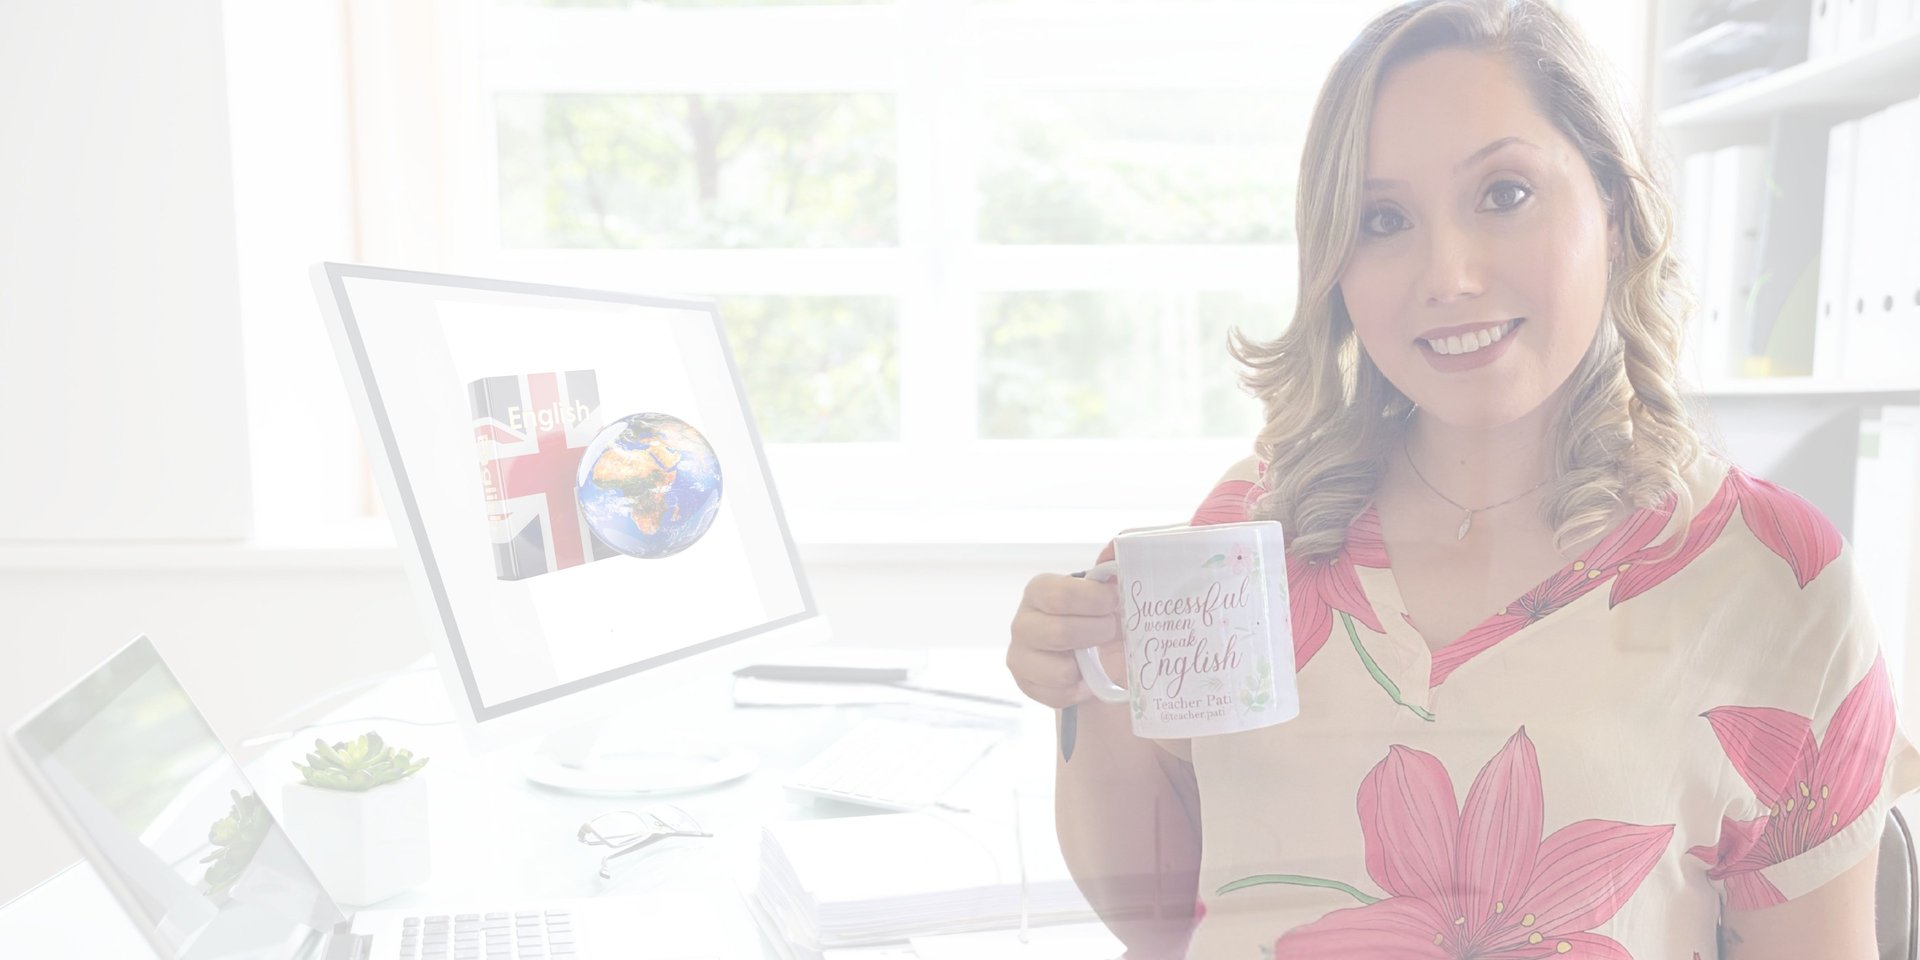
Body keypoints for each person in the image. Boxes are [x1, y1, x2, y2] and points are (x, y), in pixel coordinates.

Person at [1003, 1, 1920, 957]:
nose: (1449, 273)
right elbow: (1162, 922)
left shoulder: (1774, 580)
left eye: (1504, 194)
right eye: (1383, 219)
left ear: (1610, 203)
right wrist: (1090, 687)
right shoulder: (1252, 526)